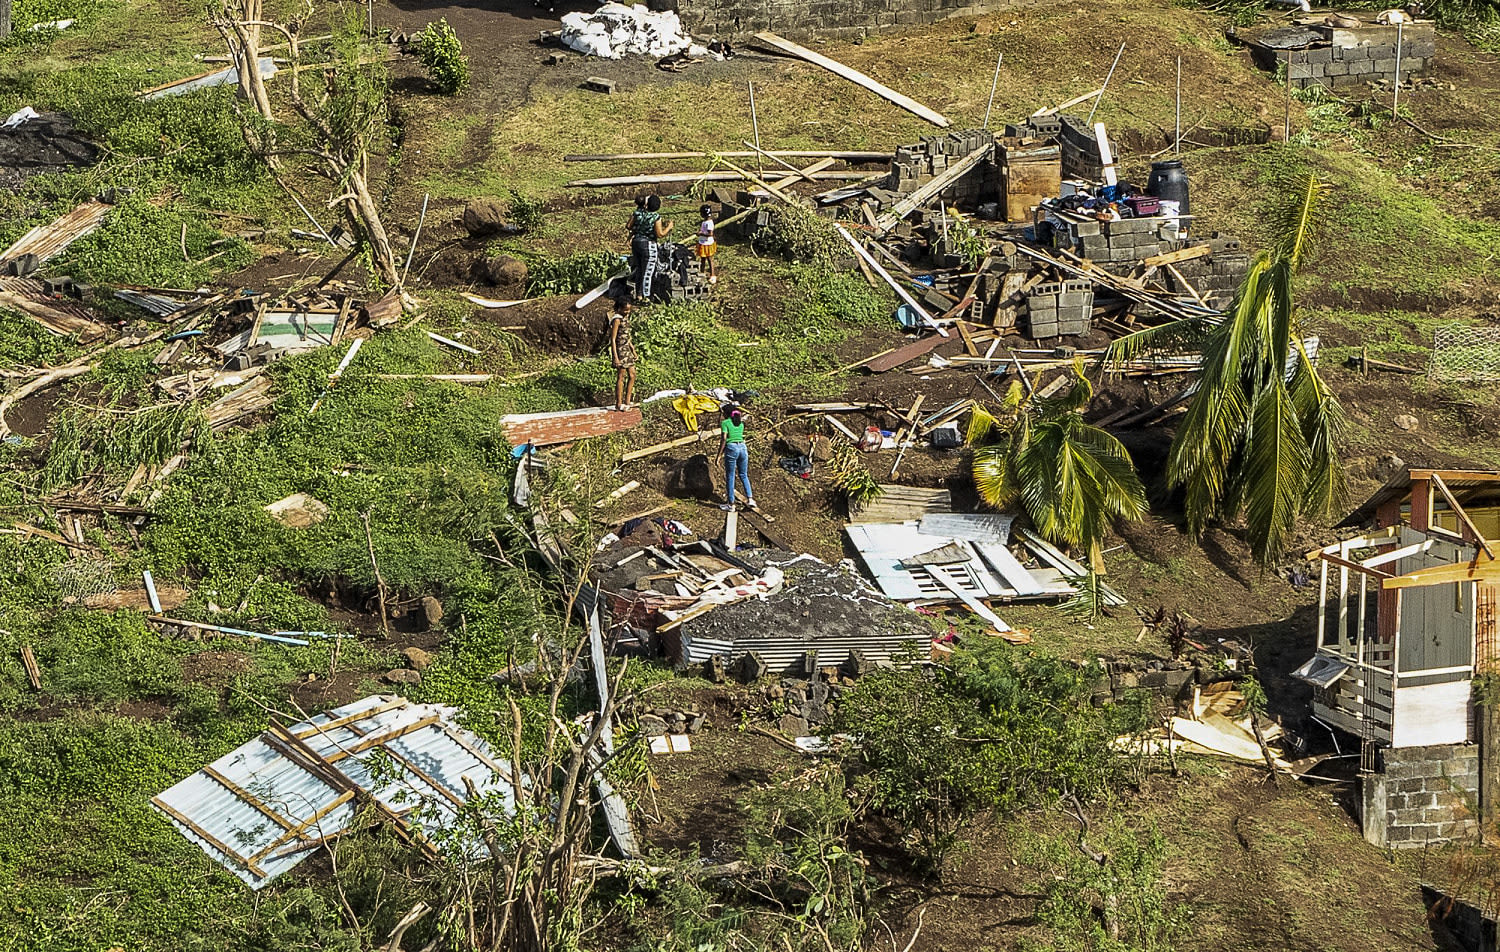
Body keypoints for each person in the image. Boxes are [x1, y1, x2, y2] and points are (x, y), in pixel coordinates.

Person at [630, 194, 672, 301]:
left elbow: (629, 226)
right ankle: (646, 297)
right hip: (648, 245)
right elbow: (660, 234)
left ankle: (638, 295)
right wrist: (669, 227)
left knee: (639, 269)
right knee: (648, 272)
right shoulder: (655, 217)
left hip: (636, 243)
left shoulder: (638, 213)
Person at [718, 403, 756, 511]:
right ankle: (750, 499)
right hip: (743, 447)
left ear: (726, 414)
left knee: (730, 476)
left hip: (732, 448)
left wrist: (719, 455)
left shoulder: (725, 423)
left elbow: (724, 439)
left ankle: (731, 504)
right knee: (743, 474)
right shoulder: (740, 424)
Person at [607, 287, 637, 410]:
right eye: (626, 310)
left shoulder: (625, 318)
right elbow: (613, 339)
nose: (627, 312)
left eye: (629, 310)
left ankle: (628, 401)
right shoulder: (617, 319)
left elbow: (627, 336)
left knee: (633, 375)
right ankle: (619, 403)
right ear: (620, 308)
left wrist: (633, 349)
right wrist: (615, 357)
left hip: (627, 349)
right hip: (620, 351)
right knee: (621, 376)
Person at [695, 203, 718, 285]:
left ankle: (712, 275)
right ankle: (701, 272)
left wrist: (700, 234)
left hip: (707, 243)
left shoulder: (709, 223)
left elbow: (710, 234)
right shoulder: (705, 221)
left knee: (709, 259)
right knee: (703, 259)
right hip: (703, 243)